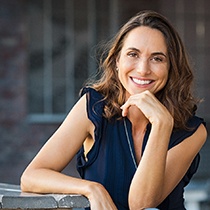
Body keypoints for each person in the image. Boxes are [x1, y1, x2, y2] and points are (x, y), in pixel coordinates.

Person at [21, 10, 207, 210]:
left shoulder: (192, 131)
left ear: (171, 68)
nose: (143, 69)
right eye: (133, 54)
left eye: (157, 58)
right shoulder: (92, 107)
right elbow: (31, 177)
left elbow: (140, 203)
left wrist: (162, 124)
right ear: (117, 61)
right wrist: (91, 189)